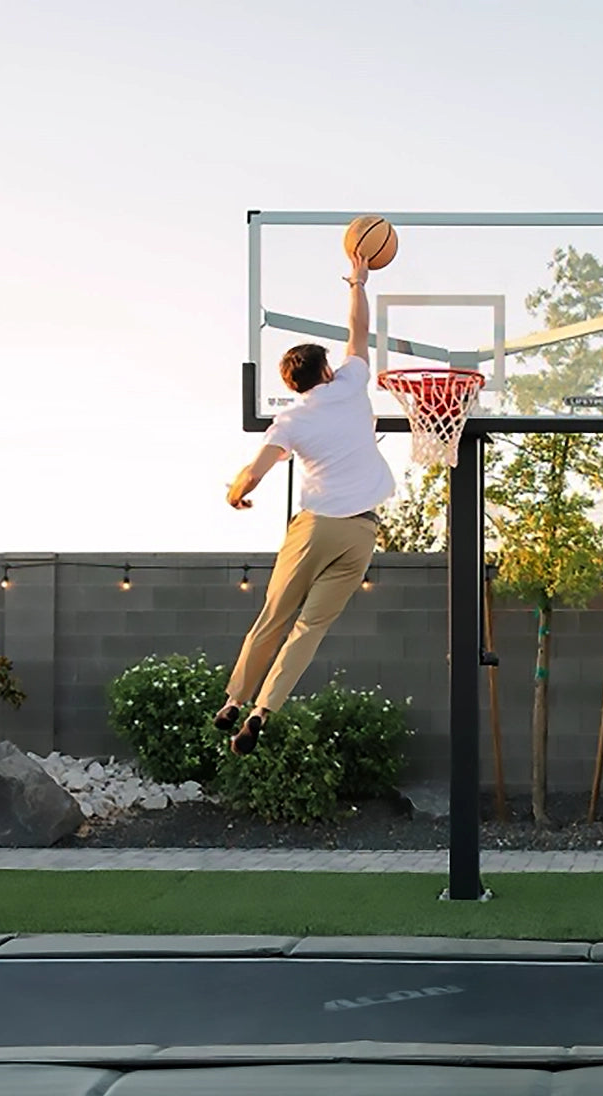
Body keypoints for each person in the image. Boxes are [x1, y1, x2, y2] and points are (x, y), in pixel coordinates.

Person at [216, 250, 395, 755]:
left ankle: (234, 699)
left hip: (315, 528)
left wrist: (236, 493)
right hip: (361, 533)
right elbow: (358, 331)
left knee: (274, 616)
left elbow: (255, 472)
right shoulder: (353, 384)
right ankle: (261, 712)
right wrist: (357, 283)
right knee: (309, 628)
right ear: (329, 372)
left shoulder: (291, 421)